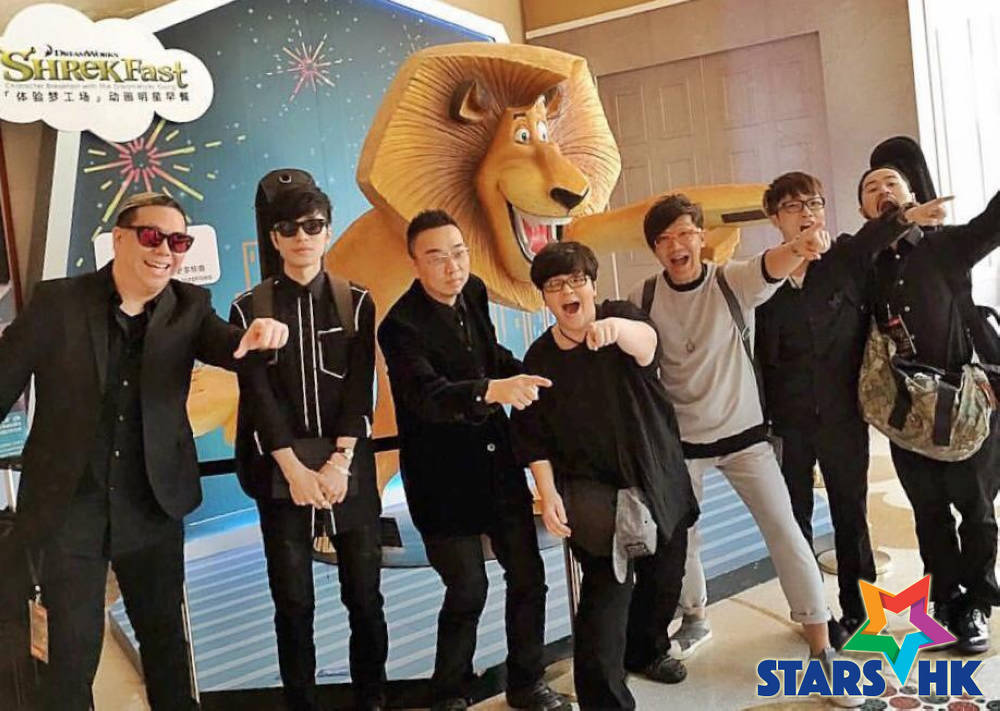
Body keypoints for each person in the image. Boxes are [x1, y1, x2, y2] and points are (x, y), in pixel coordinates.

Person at [0, 192, 288, 710]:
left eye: (178, 241)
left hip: (152, 505)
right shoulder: (58, 303)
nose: (165, 251)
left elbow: (231, 345)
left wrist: (258, 338)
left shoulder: (189, 306)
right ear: (119, 239)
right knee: (72, 655)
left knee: (165, 645)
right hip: (70, 508)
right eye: (152, 236)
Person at [628, 193, 862, 707]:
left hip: (746, 438)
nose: (676, 245)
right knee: (682, 541)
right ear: (655, 249)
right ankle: (694, 615)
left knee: (786, 532)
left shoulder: (731, 281)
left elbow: (771, 265)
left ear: (701, 237)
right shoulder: (644, 296)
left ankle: (820, 642)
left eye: (685, 233)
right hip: (682, 445)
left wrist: (799, 246)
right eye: (664, 239)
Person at [377, 210, 567, 711]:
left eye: (459, 253)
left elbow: (488, 354)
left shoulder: (474, 291)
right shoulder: (399, 326)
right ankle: (449, 690)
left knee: (529, 577)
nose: (452, 267)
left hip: (497, 465)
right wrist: (492, 390)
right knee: (467, 588)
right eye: (437, 257)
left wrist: (535, 374)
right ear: (414, 263)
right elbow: (427, 396)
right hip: (441, 478)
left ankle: (527, 682)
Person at [510, 241, 698, 710]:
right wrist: (547, 493)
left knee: (665, 575)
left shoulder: (622, 317)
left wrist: (614, 330)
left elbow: (648, 346)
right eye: (555, 285)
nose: (568, 292)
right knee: (605, 592)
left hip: (655, 471)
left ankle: (647, 650)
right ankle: (605, 700)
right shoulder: (540, 359)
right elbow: (532, 437)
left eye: (577, 280)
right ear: (544, 298)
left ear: (593, 286)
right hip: (591, 488)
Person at [231, 184, 387, 710]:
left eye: (313, 225)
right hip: (281, 470)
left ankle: (372, 700)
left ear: (327, 230)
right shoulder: (247, 309)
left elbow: (361, 388)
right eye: (289, 228)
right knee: (293, 602)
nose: (302, 237)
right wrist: (294, 469)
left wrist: (340, 462)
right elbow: (257, 397)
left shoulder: (357, 300)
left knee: (364, 596)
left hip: (347, 465)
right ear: (274, 238)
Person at [858, 163, 1000, 653]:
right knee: (929, 512)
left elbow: (992, 221)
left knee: (976, 511)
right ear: (864, 210)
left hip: (965, 407)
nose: (882, 190)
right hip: (906, 414)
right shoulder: (863, 265)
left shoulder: (946, 246)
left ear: (913, 196)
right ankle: (945, 599)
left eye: (891, 183)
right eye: (871, 188)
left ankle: (977, 604)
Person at [754, 171, 902, 640]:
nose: (807, 213)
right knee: (793, 518)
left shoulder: (844, 260)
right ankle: (813, 611)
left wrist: (909, 212)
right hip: (787, 419)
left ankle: (861, 611)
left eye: (814, 203)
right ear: (775, 217)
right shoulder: (765, 277)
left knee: (850, 512)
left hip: (843, 414)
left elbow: (878, 234)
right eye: (793, 206)